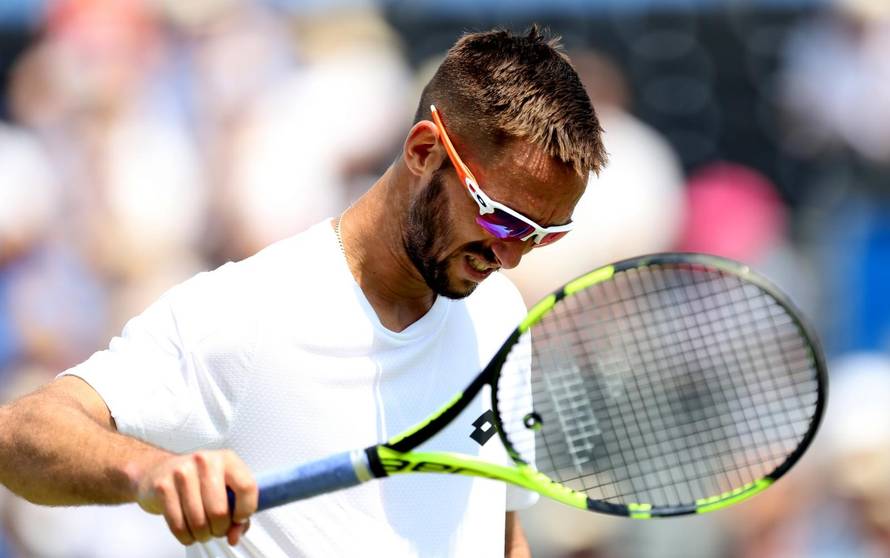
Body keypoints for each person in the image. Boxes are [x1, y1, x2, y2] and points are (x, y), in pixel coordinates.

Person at [0, 26, 605, 557]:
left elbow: (501, 537)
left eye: (544, 235)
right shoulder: (244, 312)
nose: (512, 255)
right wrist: (151, 471)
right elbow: (20, 436)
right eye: (502, 219)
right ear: (425, 152)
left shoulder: (499, 311)